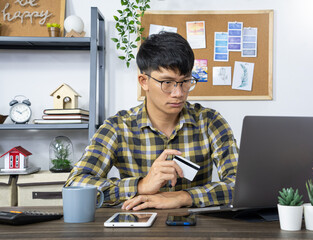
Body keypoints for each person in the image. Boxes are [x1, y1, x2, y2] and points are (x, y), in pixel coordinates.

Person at [65, 32, 238, 210]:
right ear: (144, 81)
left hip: (195, 230)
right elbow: (74, 185)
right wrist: (141, 186)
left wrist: (182, 197)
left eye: (185, 81)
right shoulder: (118, 127)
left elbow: (241, 185)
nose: (178, 93)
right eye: (167, 82)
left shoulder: (210, 122)